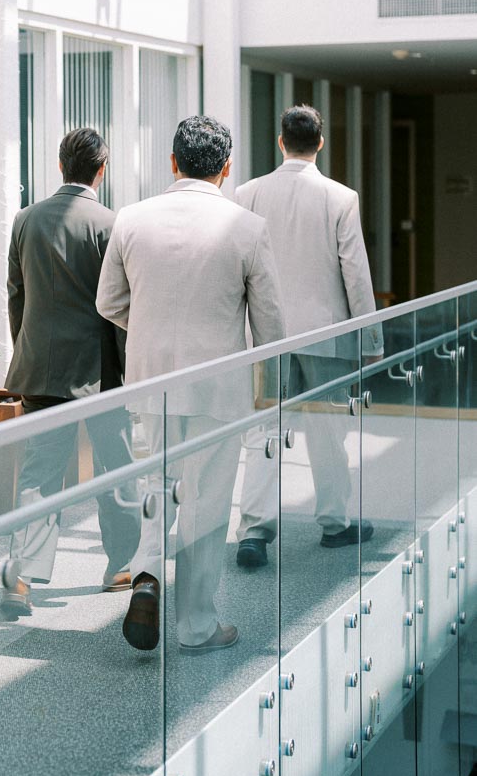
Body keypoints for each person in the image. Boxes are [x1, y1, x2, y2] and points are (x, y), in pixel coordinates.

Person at [96, 115, 285, 654]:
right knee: (205, 502)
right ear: (226, 169)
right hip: (217, 386)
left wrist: (153, 329)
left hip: (150, 381)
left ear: (172, 163)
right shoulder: (247, 227)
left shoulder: (131, 219)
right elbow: (270, 322)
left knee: (158, 487)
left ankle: (147, 576)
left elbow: (108, 302)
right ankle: (197, 625)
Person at [234, 104, 383, 569]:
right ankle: (334, 525)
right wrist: (372, 340)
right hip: (326, 333)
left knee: (265, 432)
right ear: (320, 143)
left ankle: (254, 532)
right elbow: (355, 274)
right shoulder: (340, 197)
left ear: (280, 142)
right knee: (327, 432)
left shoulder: (247, 193)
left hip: (265, 335)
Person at [0, 128, 140, 618]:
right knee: (116, 467)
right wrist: (125, 367)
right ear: (102, 170)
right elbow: (119, 305)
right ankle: (120, 565)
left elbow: (16, 294)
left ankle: (21, 576)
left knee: (39, 474)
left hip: (41, 366)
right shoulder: (110, 223)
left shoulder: (25, 220)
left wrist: (27, 346)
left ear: (61, 166)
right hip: (99, 372)